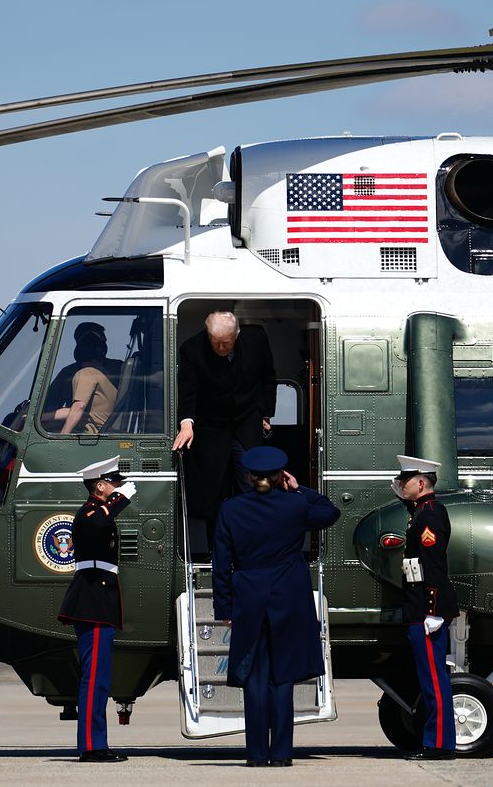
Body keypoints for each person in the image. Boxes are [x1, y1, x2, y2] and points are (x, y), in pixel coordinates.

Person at [212, 445, 339, 767]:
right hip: (289, 595)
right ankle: (282, 754)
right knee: (283, 676)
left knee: (255, 676)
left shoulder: (231, 509)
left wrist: (224, 609)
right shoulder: (295, 505)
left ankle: (256, 754)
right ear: (280, 475)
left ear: (250, 476)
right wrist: (301, 489)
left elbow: (221, 563)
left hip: (249, 596)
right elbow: (330, 512)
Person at [56, 455, 137, 763]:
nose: (118, 487)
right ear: (100, 486)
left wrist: (115, 500)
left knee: (100, 677)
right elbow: (100, 521)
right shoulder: (90, 513)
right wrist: (119, 499)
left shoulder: (98, 510)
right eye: (113, 483)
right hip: (92, 600)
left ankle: (94, 743)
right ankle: (91, 746)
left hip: (98, 599)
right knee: (95, 678)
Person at [173, 311, 276, 529]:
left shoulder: (256, 340)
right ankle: (216, 548)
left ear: (236, 334)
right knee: (214, 490)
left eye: (226, 343)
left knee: (250, 481)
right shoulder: (191, 349)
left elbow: (268, 378)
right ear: (207, 335)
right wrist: (186, 423)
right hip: (211, 424)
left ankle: (249, 541)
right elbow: (188, 391)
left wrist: (265, 414)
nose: (221, 348)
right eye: (215, 342)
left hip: (247, 420)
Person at [392, 455, 459, 761]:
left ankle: (440, 744)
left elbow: (433, 567)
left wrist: (432, 611)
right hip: (419, 609)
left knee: (434, 680)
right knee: (429, 678)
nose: (401, 485)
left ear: (421, 482)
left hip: (425, 610)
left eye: (405, 480)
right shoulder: (420, 511)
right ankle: (436, 741)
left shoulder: (429, 515)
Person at [47, 325, 118, 435]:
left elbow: (78, 407)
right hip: (87, 425)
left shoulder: (87, 373)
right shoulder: (68, 373)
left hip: (91, 431)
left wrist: (62, 438)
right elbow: (49, 403)